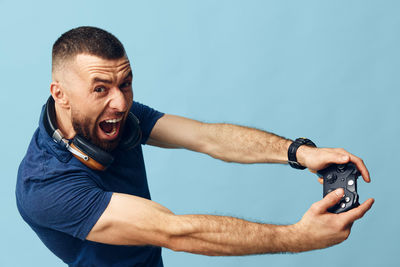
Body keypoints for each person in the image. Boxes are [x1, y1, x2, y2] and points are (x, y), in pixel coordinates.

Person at [16, 26, 374, 267]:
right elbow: (175, 231)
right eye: (100, 89)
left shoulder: (119, 120)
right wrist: (298, 238)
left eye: (125, 84)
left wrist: (300, 153)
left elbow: (207, 136)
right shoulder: (45, 187)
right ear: (59, 94)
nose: (120, 103)